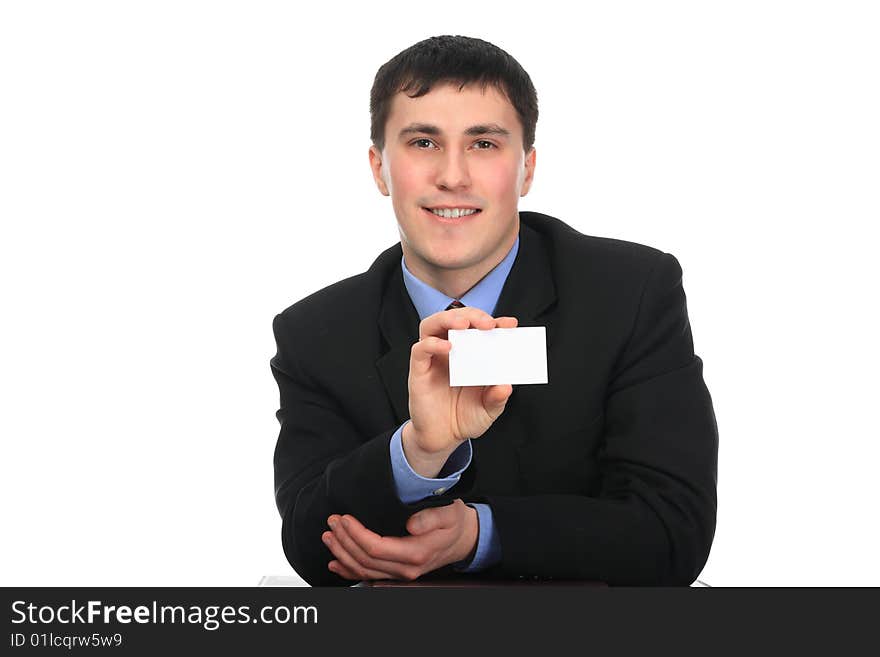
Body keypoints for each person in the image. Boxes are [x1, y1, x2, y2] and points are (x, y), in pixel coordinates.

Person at [271, 35, 718, 586]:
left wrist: (479, 534)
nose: (453, 175)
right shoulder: (315, 334)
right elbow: (311, 550)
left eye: (483, 144)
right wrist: (418, 452)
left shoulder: (632, 293)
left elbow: (674, 532)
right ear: (379, 169)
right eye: (422, 142)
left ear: (526, 168)